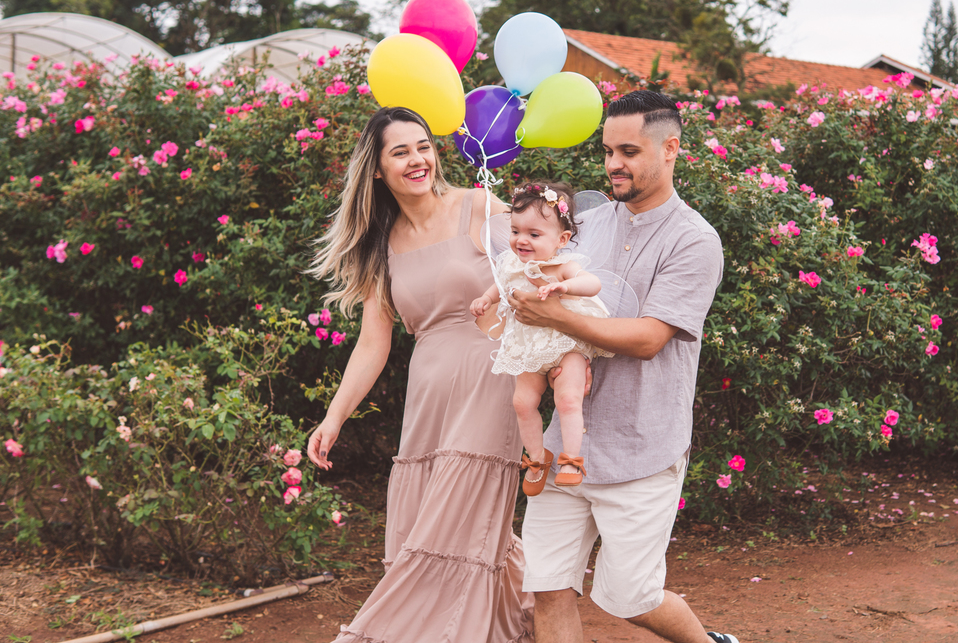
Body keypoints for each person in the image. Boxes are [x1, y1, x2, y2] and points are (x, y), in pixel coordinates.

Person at [509, 91, 738, 643]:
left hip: (643, 444)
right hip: (569, 444)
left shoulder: (694, 240)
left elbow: (648, 338)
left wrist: (555, 315)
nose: (614, 164)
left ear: (671, 149)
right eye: (609, 150)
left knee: (630, 597)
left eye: (630, 151)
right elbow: (528, 263)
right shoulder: (584, 222)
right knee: (548, 586)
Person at [306, 106, 533, 643]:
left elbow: (539, 264)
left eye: (424, 146)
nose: (417, 159)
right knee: (449, 525)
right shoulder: (379, 246)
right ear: (378, 169)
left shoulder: (478, 206)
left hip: (490, 379)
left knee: (456, 519)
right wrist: (334, 417)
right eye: (400, 151)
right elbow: (372, 343)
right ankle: (517, 623)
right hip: (429, 396)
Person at [470, 181, 614, 497]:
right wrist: (486, 298)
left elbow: (592, 284)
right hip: (528, 344)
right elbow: (501, 284)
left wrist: (565, 287)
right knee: (522, 402)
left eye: (534, 235)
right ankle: (537, 457)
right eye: (515, 231)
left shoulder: (563, 266)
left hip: (566, 343)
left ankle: (572, 460)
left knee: (568, 399)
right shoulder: (509, 262)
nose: (521, 240)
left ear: (561, 239)